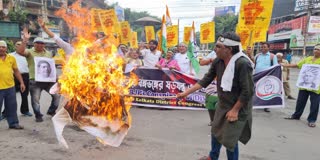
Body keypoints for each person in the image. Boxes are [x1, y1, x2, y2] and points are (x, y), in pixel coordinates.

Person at [177, 32, 254, 160]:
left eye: (218, 46)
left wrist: (235, 110)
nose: (215, 49)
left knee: (230, 139)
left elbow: (248, 91)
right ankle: (213, 157)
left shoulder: (243, 63)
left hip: (238, 106)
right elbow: (205, 80)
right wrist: (185, 93)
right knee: (216, 130)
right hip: (223, 103)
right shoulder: (218, 61)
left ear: (229, 49)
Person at [17, 28, 60, 122]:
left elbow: (51, 66)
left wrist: (55, 77)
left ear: (44, 44)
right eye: (38, 43)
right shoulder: (29, 52)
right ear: (34, 44)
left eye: (42, 43)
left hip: (48, 80)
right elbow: (20, 52)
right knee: (35, 100)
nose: (40, 44)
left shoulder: (48, 53)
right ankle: (38, 115)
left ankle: (51, 110)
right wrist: (25, 40)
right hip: (35, 81)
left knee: (56, 95)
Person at [284, 44, 320, 128]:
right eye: (315, 49)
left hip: (316, 87)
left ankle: (311, 120)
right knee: (300, 102)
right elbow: (297, 65)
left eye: (318, 49)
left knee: (315, 104)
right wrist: (284, 65)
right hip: (304, 85)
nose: (316, 50)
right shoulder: (308, 59)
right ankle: (296, 115)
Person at [0, 40, 25, 129]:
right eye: (0, 47)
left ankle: (13, 123)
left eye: (3, 47)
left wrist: (22, 82)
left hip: (10, 87)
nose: (1, 49)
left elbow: (16, 71)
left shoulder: (11, 58)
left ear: (6, 48)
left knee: (12, 107)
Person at [254, 42, 278, 112]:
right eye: (261, 47)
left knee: (267, 91)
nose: (263, 48)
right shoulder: (257, 56)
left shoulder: (272, 56)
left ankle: (267, 106)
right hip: (258, 76)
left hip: (268, 77)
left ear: (268, 48)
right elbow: (254, 65)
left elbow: (275, 67)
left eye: (264, 47)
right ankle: (257, 103)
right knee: (257, 90)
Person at [11, 41, 33, 116]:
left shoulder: (28, 56)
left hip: (25, 76)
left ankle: (25, 111)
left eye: (21, 45)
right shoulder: (10, 55)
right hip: (13, 76)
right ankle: (6, 112)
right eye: (18, 45)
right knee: (10, 95)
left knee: (24, 95)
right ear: (15, 46)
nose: (19, 46)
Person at [199, 50, 217, 126]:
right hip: (212, 81)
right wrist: (211, 60)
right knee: (210, 102)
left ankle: (219, 121)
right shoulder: (212, 53)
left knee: (220, 103)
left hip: (224, 81)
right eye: (216, 46)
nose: (216, 48)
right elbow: (201, 63)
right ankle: (212, 120)